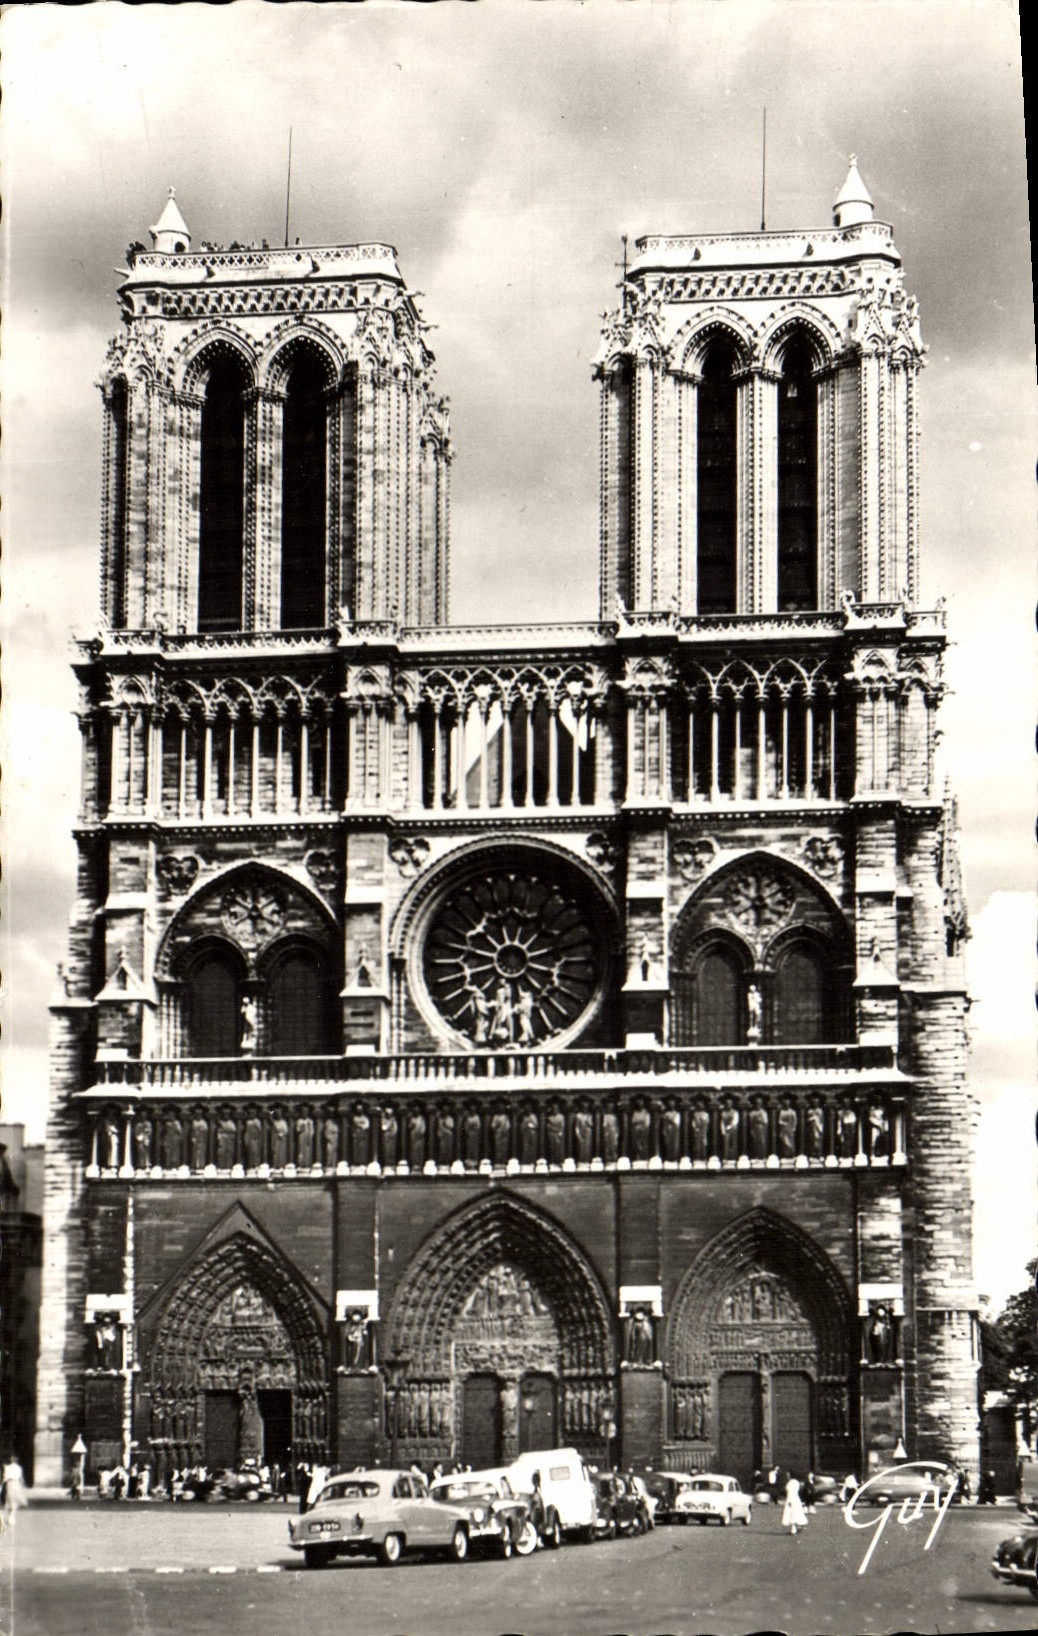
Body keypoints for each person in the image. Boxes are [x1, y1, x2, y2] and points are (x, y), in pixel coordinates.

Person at [1, 1455, 28, 1526]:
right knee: (13, 1500)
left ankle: (11, 1516)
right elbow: (21, 1478)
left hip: (10, 1484)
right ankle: (12, 1516)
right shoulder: (17, 1468)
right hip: (14, 1484)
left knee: (10, 1500)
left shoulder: (8, 1467)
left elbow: (5, 1477)